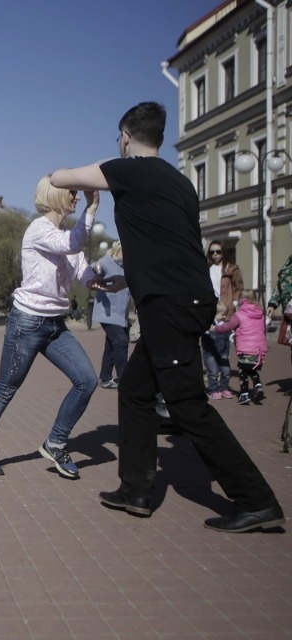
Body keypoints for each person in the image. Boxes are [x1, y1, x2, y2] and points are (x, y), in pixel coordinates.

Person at [50, 100, 284, 532]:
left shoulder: (129, 170)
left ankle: (256, 499)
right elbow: (165, 245)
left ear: (125, 135)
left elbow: (59, 176)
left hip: (170, 306)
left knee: (187, 405)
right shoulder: (179, 183)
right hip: (182, 299)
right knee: (137, 392)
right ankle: (135, 489)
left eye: (118, 138)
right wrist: (130, 281)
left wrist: (81, 185)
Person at [0, 176, 101, 479]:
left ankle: (55, 442)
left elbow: (81, 268)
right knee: (6, 389)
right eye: (73, 193)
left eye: (80, 195)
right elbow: (71, 244)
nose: (78, 198)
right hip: (26, 323)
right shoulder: (39, 229)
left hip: (55, 325)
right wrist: (92, 209)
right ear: (54, 195)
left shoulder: (65, 233)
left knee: (87, 380)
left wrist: (99, 280)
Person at [213, 290, 267, 405]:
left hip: (246, 347)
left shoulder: (239, 315)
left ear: (242, 300)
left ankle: (244, 394)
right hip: (258, 349)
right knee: (251, 368)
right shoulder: (260, 314)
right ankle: (257, 385)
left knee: (243, 370)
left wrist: (215, 329)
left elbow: (227, 327)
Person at [92, 241, 130, 389]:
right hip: (107, 314)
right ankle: (124, 379)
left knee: (111, 344)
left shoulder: (128, 267)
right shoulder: (106, 262)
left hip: (122, 315)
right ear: (117, 249)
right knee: (121, 341)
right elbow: (97, 268)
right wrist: (96, 272)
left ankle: (105, 378)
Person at [202, 302, 233, 399]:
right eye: (222, 314)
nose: (224, 317)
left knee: (226, 371)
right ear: (215, 314)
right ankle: (213, 390)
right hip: (210, 353)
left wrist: (233, 337)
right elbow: (203, 333)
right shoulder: (208, 324)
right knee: (213, 372)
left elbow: (230, 335)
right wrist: (206, 330)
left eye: (226, 314)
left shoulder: (226, 325)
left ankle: (224, 388)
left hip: (223, 352)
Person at [208, 240, 243, 319]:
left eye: (218, 251)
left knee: (227, 330)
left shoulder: (232, 268)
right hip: (211, 309)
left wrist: (234, 302)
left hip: (227, 309)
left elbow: (239, 287)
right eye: (212, 252)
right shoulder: (206, 269)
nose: (215, 254)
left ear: (223, 252)